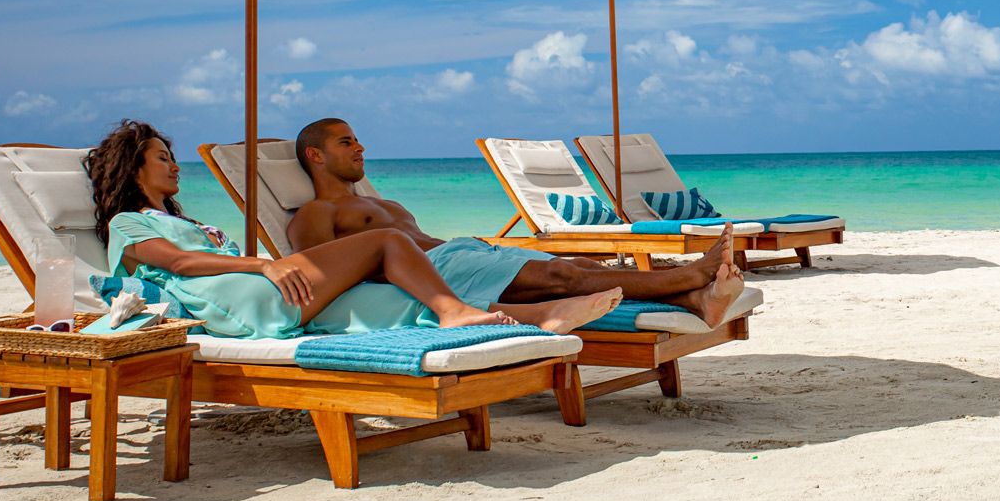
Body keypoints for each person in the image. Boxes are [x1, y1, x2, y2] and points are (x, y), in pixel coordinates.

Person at [87, 120, 621, 339]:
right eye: (163, 158)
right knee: (389, 242)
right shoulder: (127, 222)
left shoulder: (182, 220)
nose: (175, 166)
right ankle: (458, 310)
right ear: (132, 166)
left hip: (258, 293)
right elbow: (179, 265)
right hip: (233, 301)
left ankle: (539, 316)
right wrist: (263, 263)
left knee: (399, 306)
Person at [285, 118, 746, 327]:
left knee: (582, 273)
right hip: (433, 273)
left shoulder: (380, 202)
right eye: (347, 142)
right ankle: (691, 275)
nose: (360, 148)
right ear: (316, 155)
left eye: (358, 140)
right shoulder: (315, 213)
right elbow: (315, 269)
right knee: (562, 276)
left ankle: (692, 300)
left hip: (462, 252)